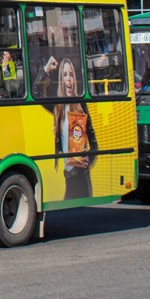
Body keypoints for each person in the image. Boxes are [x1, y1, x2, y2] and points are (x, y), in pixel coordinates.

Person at [49, 58, 99, 200]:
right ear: (61, 79)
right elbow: (35, 92)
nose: (68, 78)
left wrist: (88, 157)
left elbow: (94, 143)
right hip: (67, 177)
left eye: (71, 74)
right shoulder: (57, 108)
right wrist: (45, 70)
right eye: (64, 74)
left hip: (81, 177)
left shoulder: (80, 106)